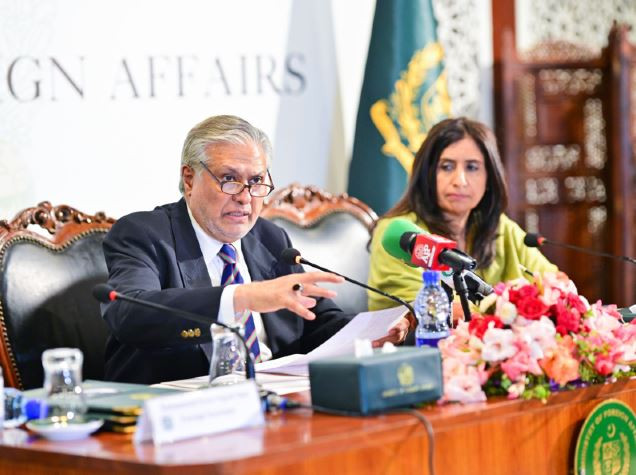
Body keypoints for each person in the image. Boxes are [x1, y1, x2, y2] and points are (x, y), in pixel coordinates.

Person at [102, 114, 409, 384]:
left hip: (273, 405)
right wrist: (240, 298)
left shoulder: (270, 239)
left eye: (257, 180)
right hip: (171, 415)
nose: (246, 196)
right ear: (189, 179)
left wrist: (370, 332)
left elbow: (316, 323)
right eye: (229, 179)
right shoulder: (144, 234)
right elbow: (129, 314)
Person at [368, 117, 557, 311]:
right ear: (427, 174)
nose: (460, 180)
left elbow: (554, 285)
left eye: (472, 167)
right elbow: (428, 308)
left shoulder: (500, 229)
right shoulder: (399, 234)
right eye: (447, 167)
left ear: (489, 177)